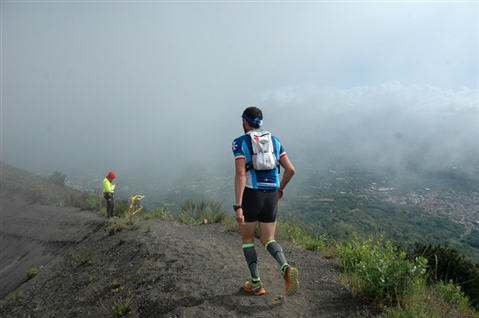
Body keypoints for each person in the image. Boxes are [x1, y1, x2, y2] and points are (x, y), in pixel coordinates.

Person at [231, 106, 299, 296]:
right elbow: (291, 170)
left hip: (252, 195)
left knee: (247, 240)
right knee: (268, 239)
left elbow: (240, 173)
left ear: (245, 121)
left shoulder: (240, 143)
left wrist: (238, 206)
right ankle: (285, 267)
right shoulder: (275, 141)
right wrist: (280, 188)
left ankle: (256, 283)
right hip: (271, 196)